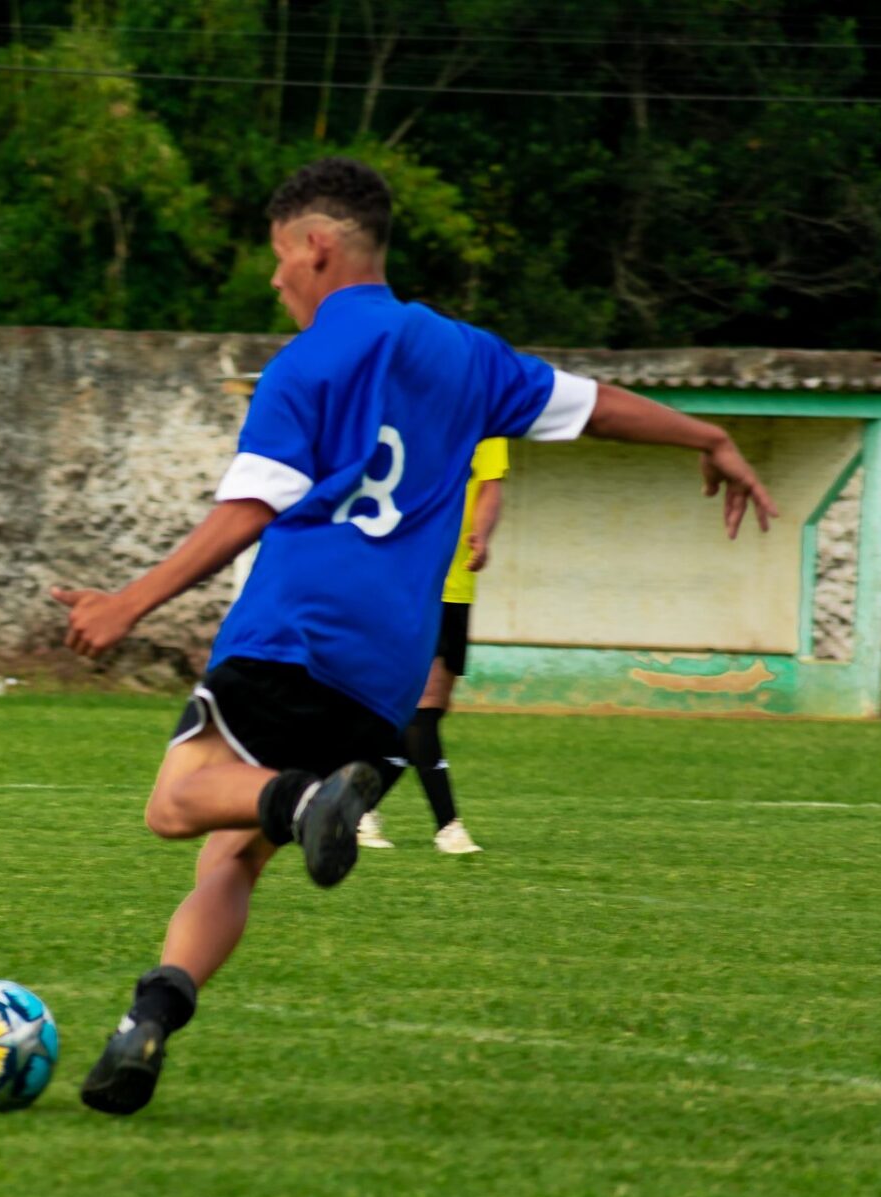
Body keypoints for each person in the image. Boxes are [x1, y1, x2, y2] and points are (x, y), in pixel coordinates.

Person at [49, 156, 777, 1117]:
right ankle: (148, 1018)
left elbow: (246, 513)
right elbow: (595, 406)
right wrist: (709, 438)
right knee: (231, 854)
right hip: (389, 675)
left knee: (179, 803)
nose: (275, 282)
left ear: (317, 247)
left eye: (279, 260)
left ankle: (306, 798)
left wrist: (126, 602)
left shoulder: (304, 366)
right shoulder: (467, 355)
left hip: (294, 633)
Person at [357, 436, 507, 855]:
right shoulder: (414, 413)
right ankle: (448, 826)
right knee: (423, 706)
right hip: (410, 580)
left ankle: (355, 808)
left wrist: (481, 532)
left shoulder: (488, 422)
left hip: (458, 586)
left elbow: (491, 486)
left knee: (430, 710)